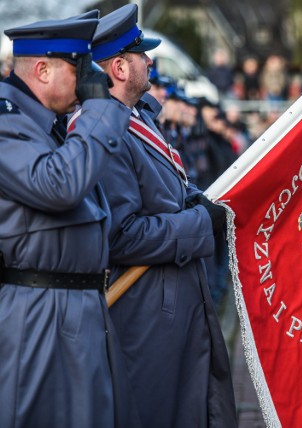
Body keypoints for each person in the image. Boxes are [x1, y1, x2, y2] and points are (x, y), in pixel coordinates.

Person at [87, 5, 237, 427]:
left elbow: (172, 194)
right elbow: (123, 234)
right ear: (119, 67)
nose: (150, 61)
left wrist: (204, 205)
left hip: (174, 297)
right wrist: (198, 224)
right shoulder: (108, 133)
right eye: (141, 56)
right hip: (148, 307)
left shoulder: (138, 119)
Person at [0, 13, 140, 428]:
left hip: (76, 308)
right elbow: (58, 184)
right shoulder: (7, 124)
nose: (85, 79)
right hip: (37, 312)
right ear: (41, 70)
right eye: (76, 67)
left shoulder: (49, 126)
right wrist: (102, 108)